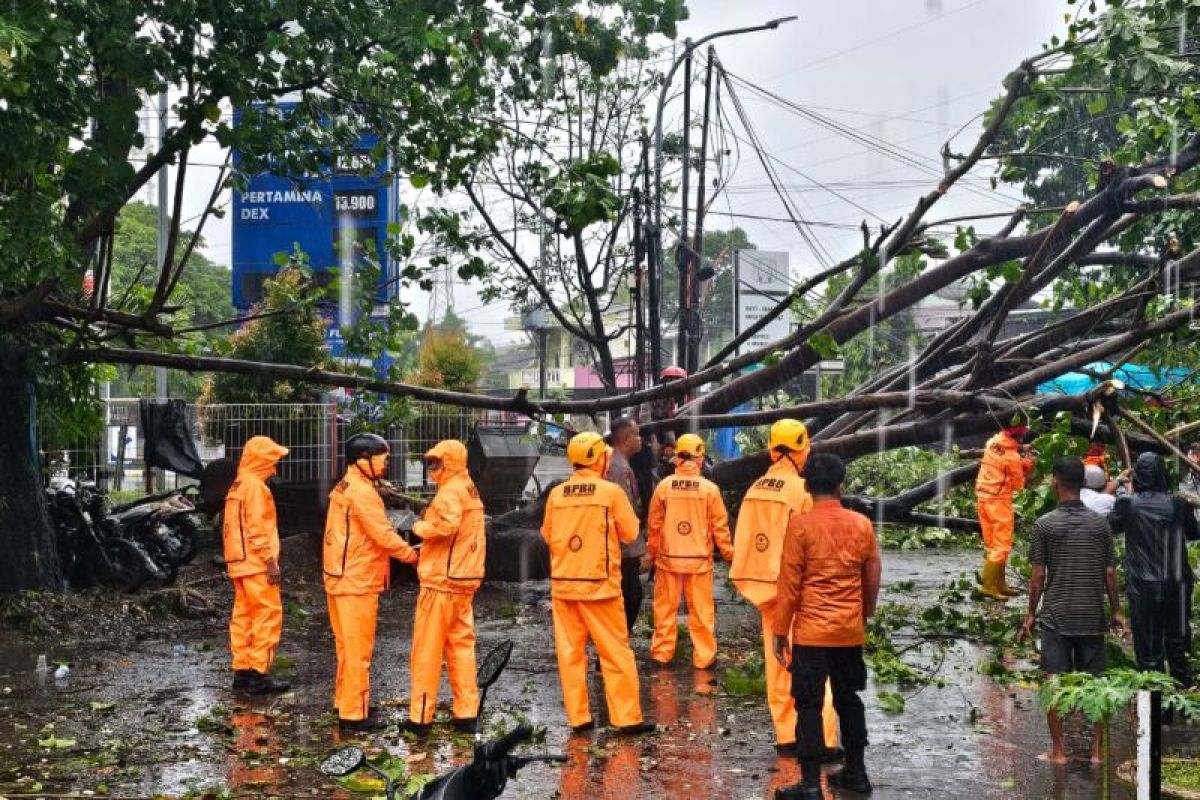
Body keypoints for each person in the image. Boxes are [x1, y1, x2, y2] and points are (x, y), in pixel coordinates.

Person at [772, 453, 882, 800]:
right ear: (840, 485)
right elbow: (873, 572)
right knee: (849, 699)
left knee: (808, 704)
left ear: (806, 486)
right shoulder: (861, 523)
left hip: (811, 633)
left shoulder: (800, 525)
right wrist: (864, 611)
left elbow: (789, 584)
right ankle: (857, 773)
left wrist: (779, 630)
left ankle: (809, 784)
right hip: (848, 631)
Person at [731, 419, 840, 760]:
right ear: (800, 449)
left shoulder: (755, 488)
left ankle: (786, 736)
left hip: (765, 591)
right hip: (799, 592)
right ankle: (820, 741)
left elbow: (745, 542)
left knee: (778, 665)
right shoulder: (801, 492)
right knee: (816, 669)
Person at [542, 432, 654, 735]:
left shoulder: (557, 494)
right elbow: (630, 532)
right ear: (598, 458)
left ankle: (579, 719)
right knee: (616, 653)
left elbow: (547, 535)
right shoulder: (610, 493)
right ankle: (627, 718)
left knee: (570, 655)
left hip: (565, 586)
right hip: (600, 587)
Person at [1019, 457, 1123, 765]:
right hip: (1092, 614)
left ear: (1055, 483)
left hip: (1056, 615)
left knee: (1054, 681)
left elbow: (1038, 575)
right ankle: (1096, 753)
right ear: (1082, 484)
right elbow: (1110, 574)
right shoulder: (1100, 523)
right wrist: (1116, 610)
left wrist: (1030, 613)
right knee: (1096, 685)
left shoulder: (1045, 524)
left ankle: (1059, 751)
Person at [323, 433, 419, 731]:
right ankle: (354, 715)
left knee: (347, 648)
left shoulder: (349, 484)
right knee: (357, 650)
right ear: (364, 458)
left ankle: (348, 701)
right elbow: (383, 534)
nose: (386, 463)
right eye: (383, 457)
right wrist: (413, 556)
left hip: (342, 576)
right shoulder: (362, 493)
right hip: (356, 579)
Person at [401, 440, 486, 737]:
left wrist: (420, 527)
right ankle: (466, 714)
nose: (432, 468)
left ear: (450, 462)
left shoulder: (450, 492)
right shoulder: (468, 488)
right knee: (461, 648)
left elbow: (447, 526)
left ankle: (420, 718)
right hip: (464, 580)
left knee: (426, 651)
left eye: (437, 462)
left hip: (441, 583)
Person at [1109, 452, 1199, 685]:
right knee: (1178, 643)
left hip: (1143, 587)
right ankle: (1184, 699)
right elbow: (1194, 533)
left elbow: (1111, 527)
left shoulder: (1128, 504)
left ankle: (1154, 708)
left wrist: (1120, 488)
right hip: (1177, 584)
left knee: (1149, 649)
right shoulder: (1178, 504)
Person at [646, 433, 733, 669]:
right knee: (702, 612)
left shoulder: (663, 487)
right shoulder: (710, 490)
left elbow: (654, 526)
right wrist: (730, 556)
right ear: (700, 459)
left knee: (665, 610)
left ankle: (662, 654)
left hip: (668, 560)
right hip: (698, 562)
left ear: (677, 458)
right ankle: (704, 658)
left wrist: (651, 554)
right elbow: (720, 528)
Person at [222, 435, 291, 695]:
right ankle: (258, 674)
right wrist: (270, 562)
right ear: (261, 460)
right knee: (266, 615)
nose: (275, 466)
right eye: (272, 460)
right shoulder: (255, 488)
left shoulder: (237, 485)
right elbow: (257, 528)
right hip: (255, 563)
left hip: (239, 563)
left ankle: (242, 671)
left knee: (242, 617)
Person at [975, 420, 1036, 600]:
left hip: (983, 497)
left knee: (992, 544)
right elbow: (1018, 484)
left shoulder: (992, 442)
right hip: (999, 501)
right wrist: (1029, 464)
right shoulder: (1012, 458)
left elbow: (1008, 460)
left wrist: (1022, 457)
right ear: (1019, 434)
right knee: (1002, 545)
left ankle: (999, 584)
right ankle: (989, 586)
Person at [606, 416, 649, 633]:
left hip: (624, 546)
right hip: (621, 548)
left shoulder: (620, 465)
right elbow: (622, 511)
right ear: (627, 438)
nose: (641, 439)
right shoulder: (618, 469)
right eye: (637, 434)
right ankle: (615, 647)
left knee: (631, 596)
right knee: (630, 597)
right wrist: (630, 549)